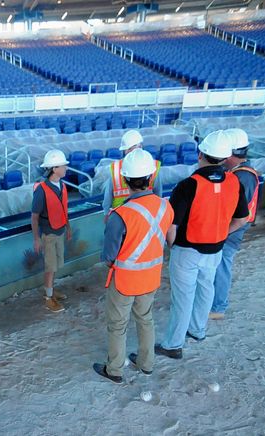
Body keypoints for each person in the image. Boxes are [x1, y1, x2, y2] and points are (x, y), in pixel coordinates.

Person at [156, 131, 249, 359]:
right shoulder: (234, 181)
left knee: (183, 297)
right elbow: (243, 218)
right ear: (226, 158)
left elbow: (172, 225)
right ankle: (198, 330)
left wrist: (172, 246)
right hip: (215, 248)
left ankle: (173, 344)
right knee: (206, 288)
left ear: (200, 154)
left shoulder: (189, 185)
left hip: (187, 250)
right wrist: (221, 233)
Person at [93, 149, 174, 383]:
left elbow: (109, 255)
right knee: (145, 319)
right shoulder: (164, 206)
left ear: (125, 180)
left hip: (125, 281)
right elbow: (168, 238)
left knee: (118, 326)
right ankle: (146, 363)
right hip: (151, 277)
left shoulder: (120, 215)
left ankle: (115, 369)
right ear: (151, 178)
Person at [210, 128, 260, 320]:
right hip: (228, 228)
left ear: (232, 154)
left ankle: (218, 307)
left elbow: (239, 213)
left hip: (230, 231)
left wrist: (223, 232)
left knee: (221, 266)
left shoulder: (242, 177)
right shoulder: (238, 173)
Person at [31, 149, 73, 313]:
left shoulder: (62, 185)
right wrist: (36, 238)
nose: (66, 169)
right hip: (48, 234)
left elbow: (63, 209)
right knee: (50, 267)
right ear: (54, 168)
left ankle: (51, 290)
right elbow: (34, 217)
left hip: (60, 231)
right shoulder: (41, 190)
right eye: (63, 166)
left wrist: (68, 227)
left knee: (55, 266)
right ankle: (48, 298)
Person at [102, 130, 163, 215]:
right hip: (121, 214)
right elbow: (108, 197)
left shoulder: (153, 166)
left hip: (145, 214)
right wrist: (106, 213)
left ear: (140, 146)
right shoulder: (116, 168)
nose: (127, 152)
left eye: (131, 148)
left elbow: (158, 194)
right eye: (126, 149)